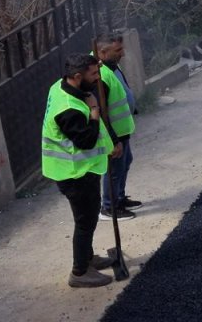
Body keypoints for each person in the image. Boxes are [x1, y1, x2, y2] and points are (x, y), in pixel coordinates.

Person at [42, 54, 123, 288]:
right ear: (78, 77)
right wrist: (95, 111)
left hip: (80, 170)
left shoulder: (60, 86)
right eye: (94, 74)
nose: (98, 78)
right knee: (85, 221)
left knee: (87, 218)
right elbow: (86, 140)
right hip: (74, 173)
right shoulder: (68, 109)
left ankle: (87, 259)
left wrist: (112, 141)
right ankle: (79, 272)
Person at [93, 34, 142, 221]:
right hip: (113, 133)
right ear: (103, 52)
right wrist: (112, 140)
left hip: (123, 129)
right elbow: (100, 113)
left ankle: (119, 198)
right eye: (118, 50)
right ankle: (109, 207)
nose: (122, 53)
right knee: (113, 169)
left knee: (125, 162)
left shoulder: (111, 66)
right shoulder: (99, 75)